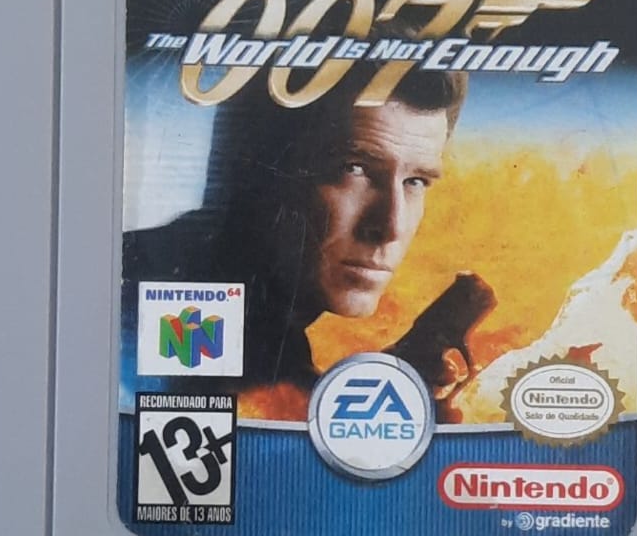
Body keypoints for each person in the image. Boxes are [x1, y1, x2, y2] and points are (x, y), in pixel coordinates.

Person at [124, 68, 467, 389]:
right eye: (353, 168)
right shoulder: (144, 304)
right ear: (259, 168)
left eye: (416, 181)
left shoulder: (267, 341)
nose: (392, 226)